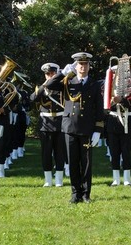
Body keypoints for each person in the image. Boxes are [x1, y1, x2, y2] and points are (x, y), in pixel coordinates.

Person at [45, 52, 104, 203]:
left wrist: (98, 130)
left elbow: (99, 108)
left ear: (89, 66)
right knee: (72, 162)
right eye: (80, 64)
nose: (83, 67)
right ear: (75, 66)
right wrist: (63, 73)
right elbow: (50, 85)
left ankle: (85, 194)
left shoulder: (95, 84)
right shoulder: (68, 81)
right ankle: (75, 193)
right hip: (69, 127)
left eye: (85, 64)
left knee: (86, 163)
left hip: (87, 128)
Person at [30, 63, 66, 187]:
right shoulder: (41, 88)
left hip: (60, 122)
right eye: (47, 74)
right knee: (46, 152)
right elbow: (33, 98)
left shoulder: (62, 86)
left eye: (52, 73)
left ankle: (59, 179)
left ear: (57, 73)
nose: (49, 76)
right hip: (45, 123)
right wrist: (44, 85)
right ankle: (48, 179)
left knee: (59, 152)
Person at [107, 65, 131, 187]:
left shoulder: (130, 88)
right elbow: (104, 103)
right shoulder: (108, 87)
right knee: (114, 151)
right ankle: (116, 178)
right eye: (115, 73)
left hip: (125, 118)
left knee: (126, 150)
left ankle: (127, 178)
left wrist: (122, 100)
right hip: (113, 119)